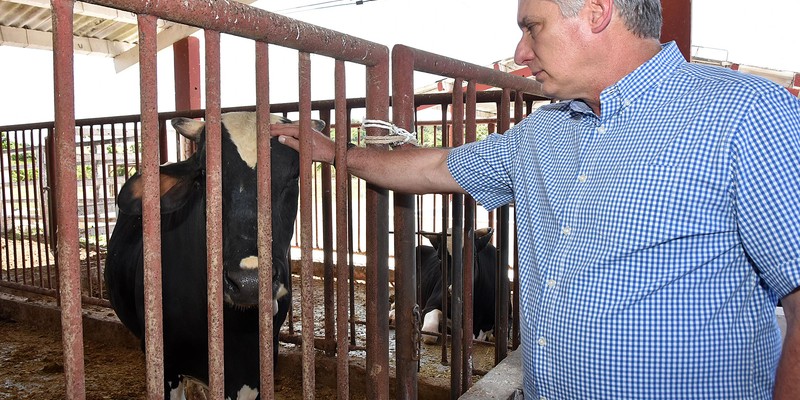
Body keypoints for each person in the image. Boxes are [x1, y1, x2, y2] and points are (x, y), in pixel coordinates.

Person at [272, 0, 800, 398]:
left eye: (532, 26)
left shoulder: (746, 116)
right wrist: (333, 152)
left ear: (596, 12)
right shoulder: (542, 132)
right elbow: (435, 165)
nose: (522, 52)